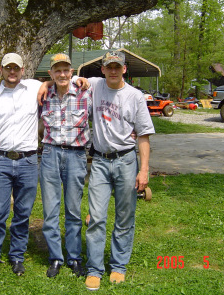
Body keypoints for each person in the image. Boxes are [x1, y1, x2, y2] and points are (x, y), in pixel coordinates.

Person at [82, 51, 155, 291]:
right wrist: (47, 85)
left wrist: (143, 171)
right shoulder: (94, 85)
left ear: (124, 69)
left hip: (126, 160)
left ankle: (118, 266)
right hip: (100, 162)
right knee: (96, 217)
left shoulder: (136, 97)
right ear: (102, 69)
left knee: (125, 217)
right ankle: (94, 270)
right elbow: (66, 79)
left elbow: (143, 136)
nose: (113, 70)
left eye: (117, 66)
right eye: (108, 66)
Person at [0, 53, 43, 278]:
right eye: (8, 68)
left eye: (16, 68)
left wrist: (79, 80)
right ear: (2, 70)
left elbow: (59, 80)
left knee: (22, 213)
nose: (12, 72)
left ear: (23, 70)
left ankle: (17, 257)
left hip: (28, 161)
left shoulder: (34, 88)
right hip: (3, 160)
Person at [39, 53, 92, 278]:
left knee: (73, 210)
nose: (62, 74)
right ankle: (55, 258)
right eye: (57, 70)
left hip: (76, 156)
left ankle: (74, 257)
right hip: (50, 154)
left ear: (72, 72)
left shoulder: (86, 91)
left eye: (66, 70)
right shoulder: (41, 94)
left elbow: (109, 81)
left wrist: (83, 78)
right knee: (50, 210)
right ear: (50, 73)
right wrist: (45, 83)